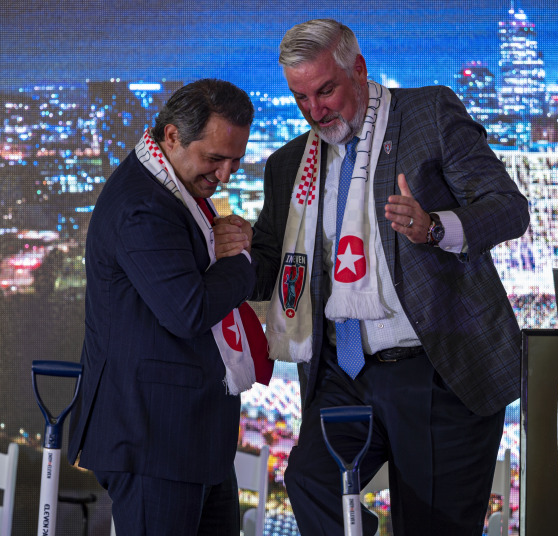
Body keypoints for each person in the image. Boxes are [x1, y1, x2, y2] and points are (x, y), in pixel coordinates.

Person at [245, 19, 530, 535]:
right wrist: (230, 252)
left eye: (325, 90)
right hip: (343, 373)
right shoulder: (288, 166)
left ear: (358, 69)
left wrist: (435, 227)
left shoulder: (427, 114)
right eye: (300, 97)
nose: (314, 111)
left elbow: (509, 209)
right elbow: (270, 269)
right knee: (310, 481)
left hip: (437, 370)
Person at [67, 79, 261, 535]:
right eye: (214, 158)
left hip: (190, 439)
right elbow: (188, 311)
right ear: (172, 136)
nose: (226, 175)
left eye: (236, 160)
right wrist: (242, 260)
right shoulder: (142, 205)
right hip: (153, 442)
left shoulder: (171, 187)